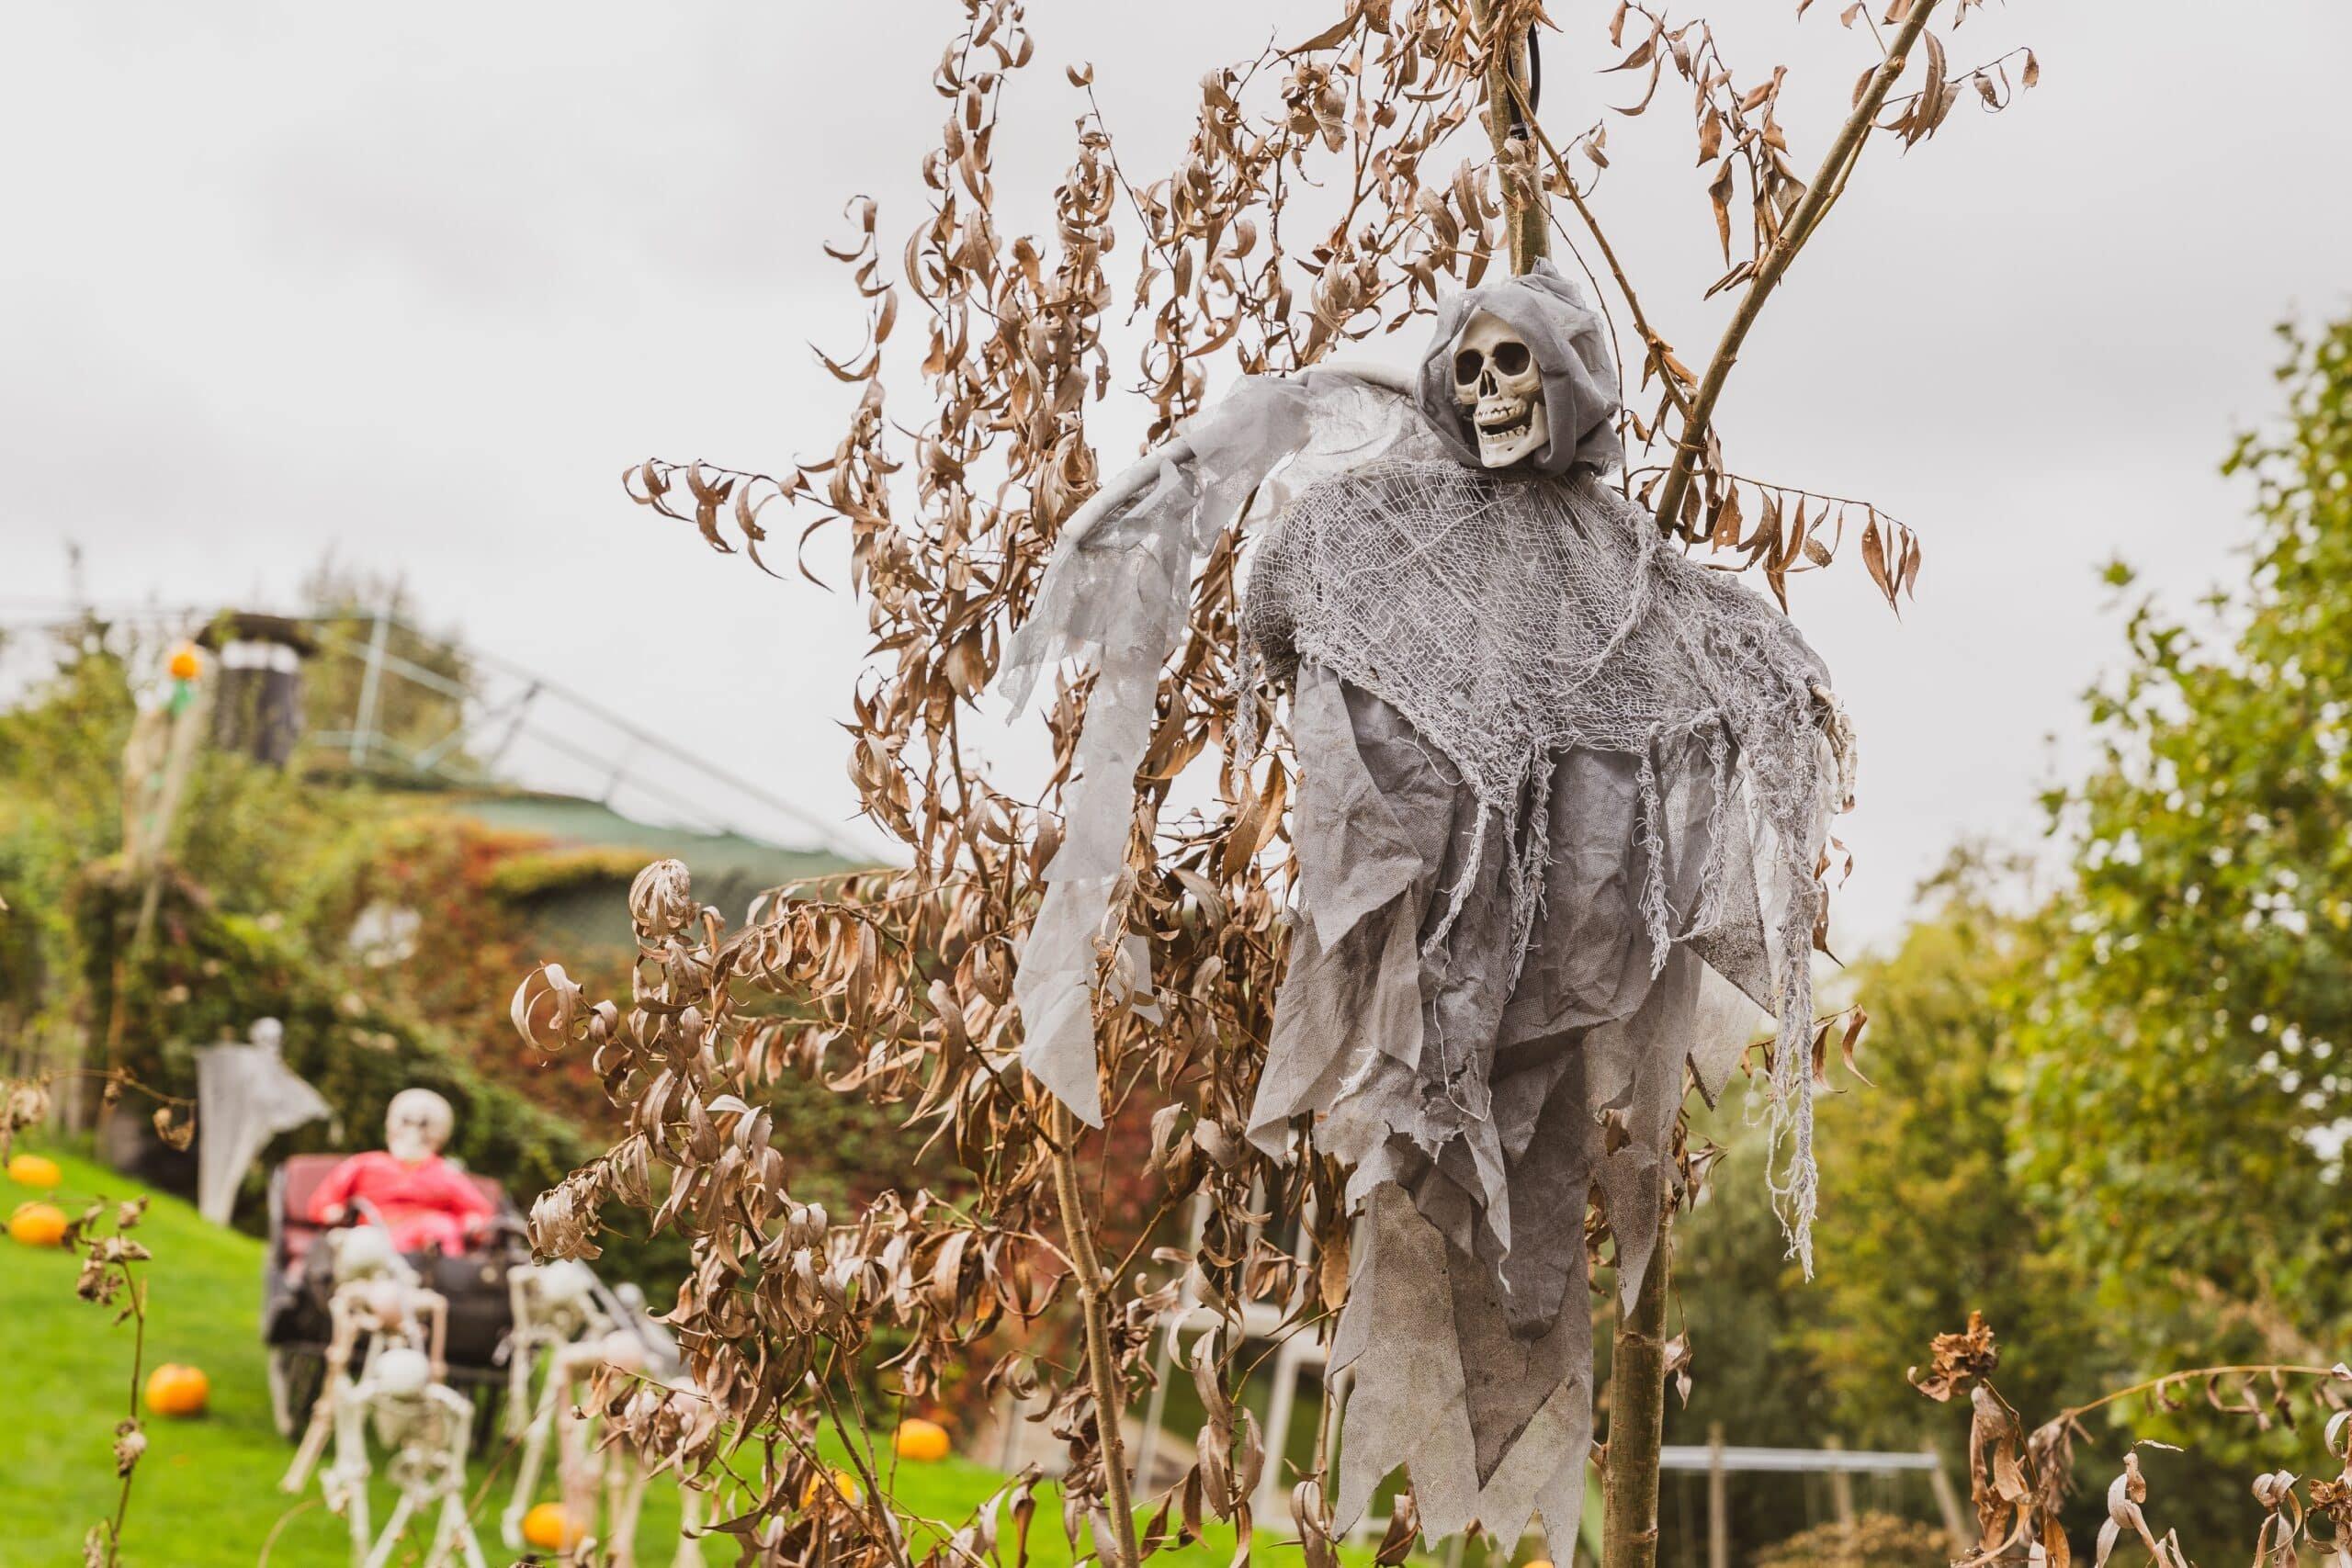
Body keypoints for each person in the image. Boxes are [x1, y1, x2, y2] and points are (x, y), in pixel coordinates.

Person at [309, 1088, 495, 1255]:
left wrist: (471, 1222)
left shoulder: (446, 1172)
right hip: (375, 1234)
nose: (413, 1132)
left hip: (432, 1247)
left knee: (444, 1228)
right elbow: (325, 1200)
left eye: (423, 1125)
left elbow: (477, 1212)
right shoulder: (365, 1164)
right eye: (407, 1122)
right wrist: (331, 1211)